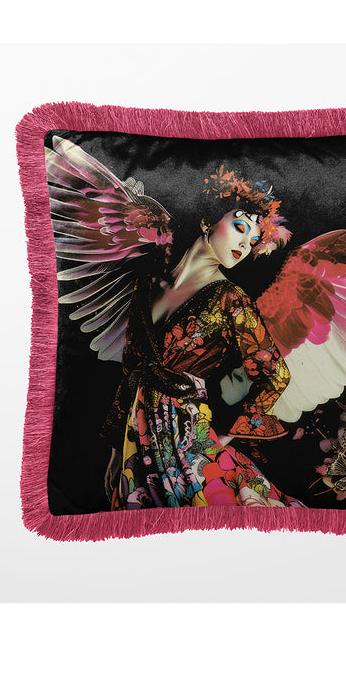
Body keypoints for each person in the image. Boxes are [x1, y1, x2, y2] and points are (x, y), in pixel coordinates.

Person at [100, 171, 305, 509]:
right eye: (240, 228)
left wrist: (224, 436)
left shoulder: (231, 298)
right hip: (136, 440)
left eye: (254, 240)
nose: (245, 245)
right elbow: (130, 370)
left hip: (190, 438)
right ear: (208, 220)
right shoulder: (147, 285)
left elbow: (275, 374)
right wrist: (114, 449)